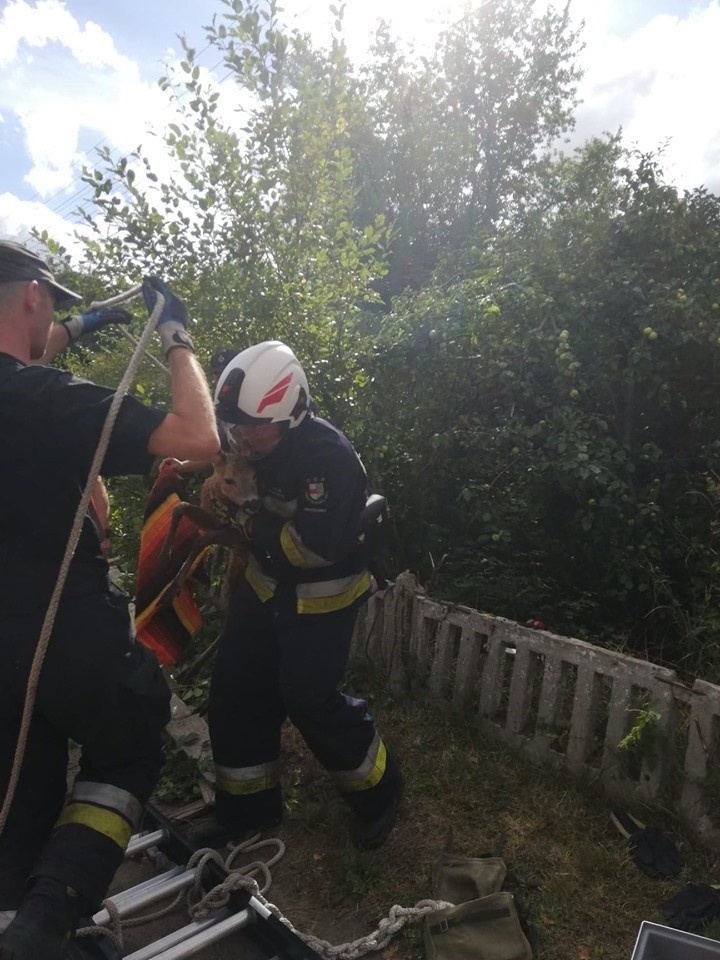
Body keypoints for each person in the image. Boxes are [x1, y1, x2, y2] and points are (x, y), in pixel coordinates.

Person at [0, 239, 220, 960]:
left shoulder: (23, 387)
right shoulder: (40, 401)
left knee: (21, 792)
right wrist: (176, 336)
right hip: (59, 630)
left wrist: (88, 323)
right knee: (126, 743)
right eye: (51, 306)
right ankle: (49, 916)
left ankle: (13, 914)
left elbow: (26, 352)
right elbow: (198, 436)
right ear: (33, 293)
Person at [207, 340, 402, 849]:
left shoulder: (327, 460)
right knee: (235, 685)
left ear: (291, 410)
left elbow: (311, 549)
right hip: (264, 583)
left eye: (255, 426)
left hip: (323, 593)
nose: (244, 438)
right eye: (238, 427)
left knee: (308, 698)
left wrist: (250, 524)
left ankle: (379, 791)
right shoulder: (259, 445)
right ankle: (247, 806)